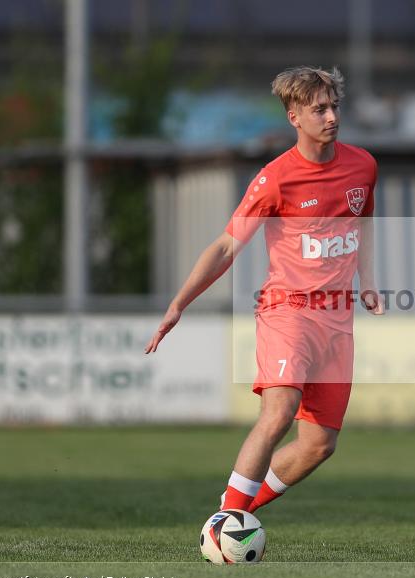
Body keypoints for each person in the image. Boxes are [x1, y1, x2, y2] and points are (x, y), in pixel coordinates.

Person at [145, 66, 382, 516]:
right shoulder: (276, 178)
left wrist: (366, 280)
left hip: (337, 318)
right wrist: (179, 304)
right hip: (287, 310)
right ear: (294, 116)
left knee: (318, 445)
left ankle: (236, 512)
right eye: (319, 109)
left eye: (334, 106)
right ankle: (226, 521)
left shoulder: (363, 165)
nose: (331, 116)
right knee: (279, 412)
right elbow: (225, 246)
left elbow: (364, 220)